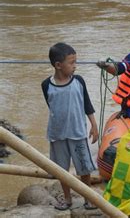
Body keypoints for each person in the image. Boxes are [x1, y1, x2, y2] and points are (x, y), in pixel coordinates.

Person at [41, 42, 99, 211]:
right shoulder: (46, 85)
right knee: (62, 170)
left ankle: (88, 197)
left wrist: (93, 125)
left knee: (84, 168)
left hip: (78, 133)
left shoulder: (79, 81)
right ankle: (67, 199)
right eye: (71, 63)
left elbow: (87, 104)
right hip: (57, 135)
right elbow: (52, 108)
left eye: (76, 62)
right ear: (58, 65)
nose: (75, 66)